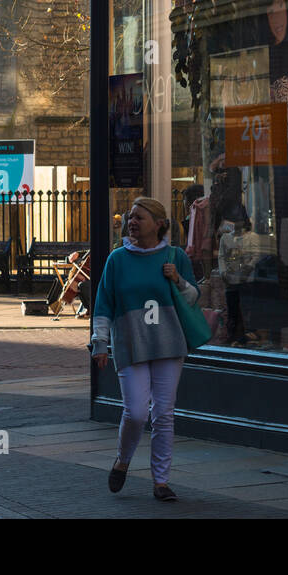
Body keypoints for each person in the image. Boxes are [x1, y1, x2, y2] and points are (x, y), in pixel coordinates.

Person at [90, 196, 201, 502]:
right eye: (130, 217)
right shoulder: (117, 259)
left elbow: (193, 298)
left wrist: (177, 279)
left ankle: (161, 482)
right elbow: (103, 304)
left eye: (139, 217)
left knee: (164, 414)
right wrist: (100, 343)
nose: (132, 222)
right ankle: (123, 461)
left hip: (169, 343)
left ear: (159, 224)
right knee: (137, 412)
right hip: (130, 343)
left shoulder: (175, 256)